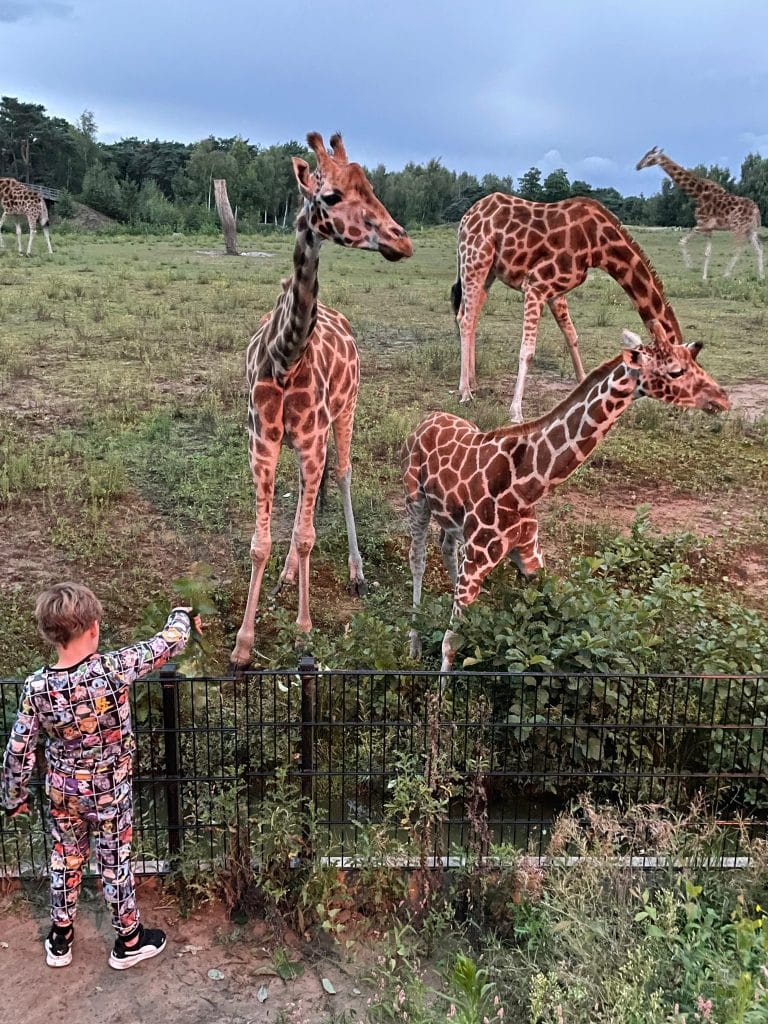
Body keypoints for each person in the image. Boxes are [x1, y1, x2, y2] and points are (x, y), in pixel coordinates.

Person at [1, 582, 203, 970]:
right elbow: (168, 642)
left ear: (49, 634)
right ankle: (128, 940)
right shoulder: (112, 670)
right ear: (93, 627)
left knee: (64, 858)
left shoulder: (37, 687)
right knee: (115, 862)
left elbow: (19, 748)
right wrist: (182, 613)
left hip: (61, 791)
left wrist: (13, 797)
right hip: (109, 791)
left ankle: (60, 938)